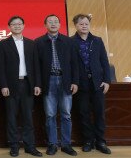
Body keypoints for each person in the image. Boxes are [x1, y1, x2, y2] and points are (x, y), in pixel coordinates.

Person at [0, 16, 43, 157]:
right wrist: (3, 85)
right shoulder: (3, 44)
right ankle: (14, 146)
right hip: (11, 86)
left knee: (28, 117)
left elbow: (36, 66)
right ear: (9, 27)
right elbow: (1, 67)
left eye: (19, 24)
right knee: (11, 117)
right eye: (13, 24)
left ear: (23, 26)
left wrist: (37, 84)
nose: (17, 26)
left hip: (28, 84)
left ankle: (30, 146)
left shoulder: (31, 43)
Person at [35, 14, 79, 156]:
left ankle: (66, 145)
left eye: (56, 21)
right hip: (49, 82)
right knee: (50, 115)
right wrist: (38, 84)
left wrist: (75, 82)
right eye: (50, 22)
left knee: (66, 114)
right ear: (45, 25)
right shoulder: (39, 42)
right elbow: (36, 67)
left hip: (65, 81)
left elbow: (74, 64)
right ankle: (52, 144)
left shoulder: (68, 41)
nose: (53, 24)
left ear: (60, 25)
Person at [71, 14, 111, 154]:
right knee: (84, 113)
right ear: (75, 25)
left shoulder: (97, 41)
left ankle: (100, 141)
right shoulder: (71, 42)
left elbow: (105, 62)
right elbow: (70, 65)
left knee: (99, 113)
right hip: (81, 85)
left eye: (86, 23)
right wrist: (73, 82)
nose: (84, 26)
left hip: (98, 84)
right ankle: (88, 141)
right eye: (81, 24)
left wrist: (107, 80)